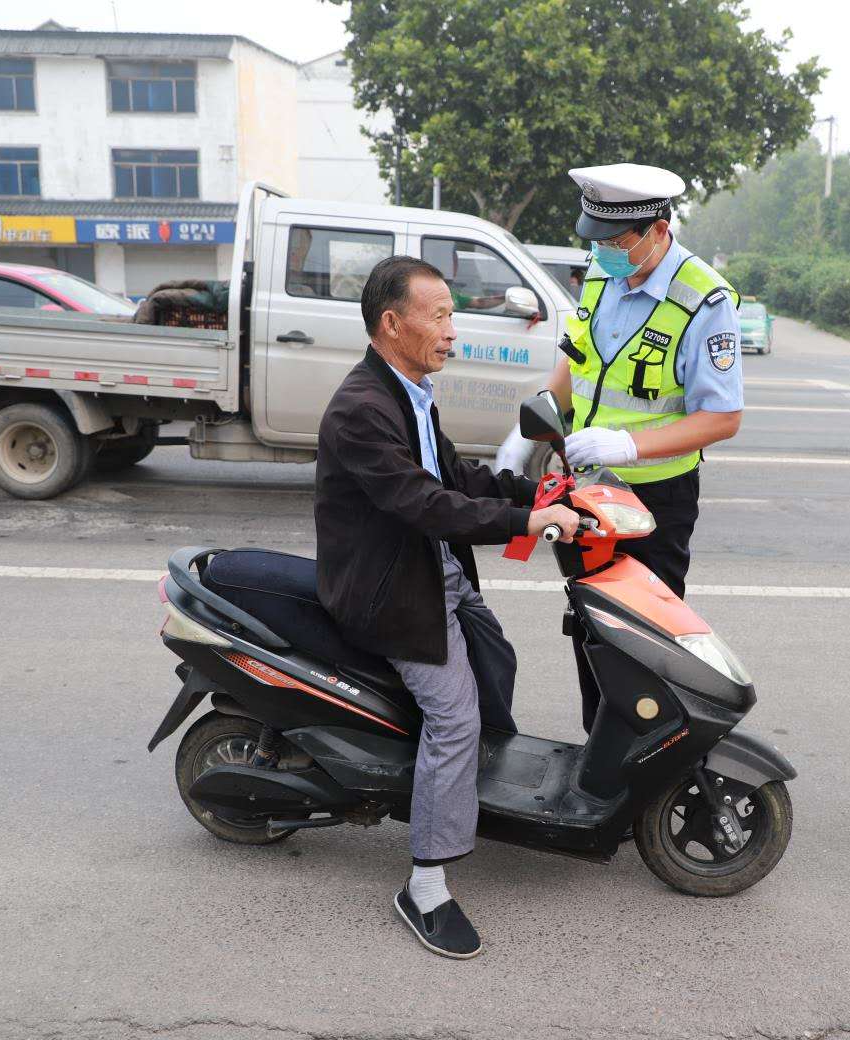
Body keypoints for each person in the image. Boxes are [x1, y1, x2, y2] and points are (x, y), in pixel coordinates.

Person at [313, 255, 581, 957]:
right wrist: (527, 525)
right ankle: (425, 882)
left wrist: (536, 494)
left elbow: (452, 474)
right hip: (390, 588)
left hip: (430, 569)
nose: (452, 332)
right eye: (439, 315)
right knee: (456, 716)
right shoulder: (361, 410)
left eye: (452, 315)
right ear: (392, 323)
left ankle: (465, 798)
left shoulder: (409, 390)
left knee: (495, 658)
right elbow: (423, 504)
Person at [493, 164, 742, 726]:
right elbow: (576, 361)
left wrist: (628, 445)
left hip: (654, 502)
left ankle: (646, 775)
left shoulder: (704, 300)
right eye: (596, 237)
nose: (602, 249)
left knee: (647, 642)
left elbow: (723, 417)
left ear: (658, 228)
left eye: (615, 238)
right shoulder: (605, 275)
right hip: (589, 495)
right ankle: (599, 758)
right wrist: (526, 427)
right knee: (591, 629)